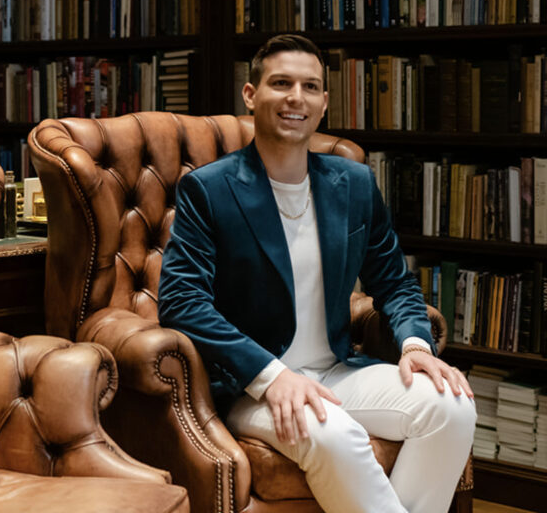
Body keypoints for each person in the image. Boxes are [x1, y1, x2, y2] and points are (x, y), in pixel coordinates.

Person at [157, 34, 475, 513]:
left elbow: (393, 280)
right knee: (336, 433)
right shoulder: (209, 190)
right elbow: (182, 302)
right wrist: (272, 376)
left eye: (310, 87)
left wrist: (414, 344)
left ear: (324, 102)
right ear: (251, 95)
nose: (295, 98)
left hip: (338, 369)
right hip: (253, 385)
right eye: (280, 83)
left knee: (452, 407)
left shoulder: (354, 184)